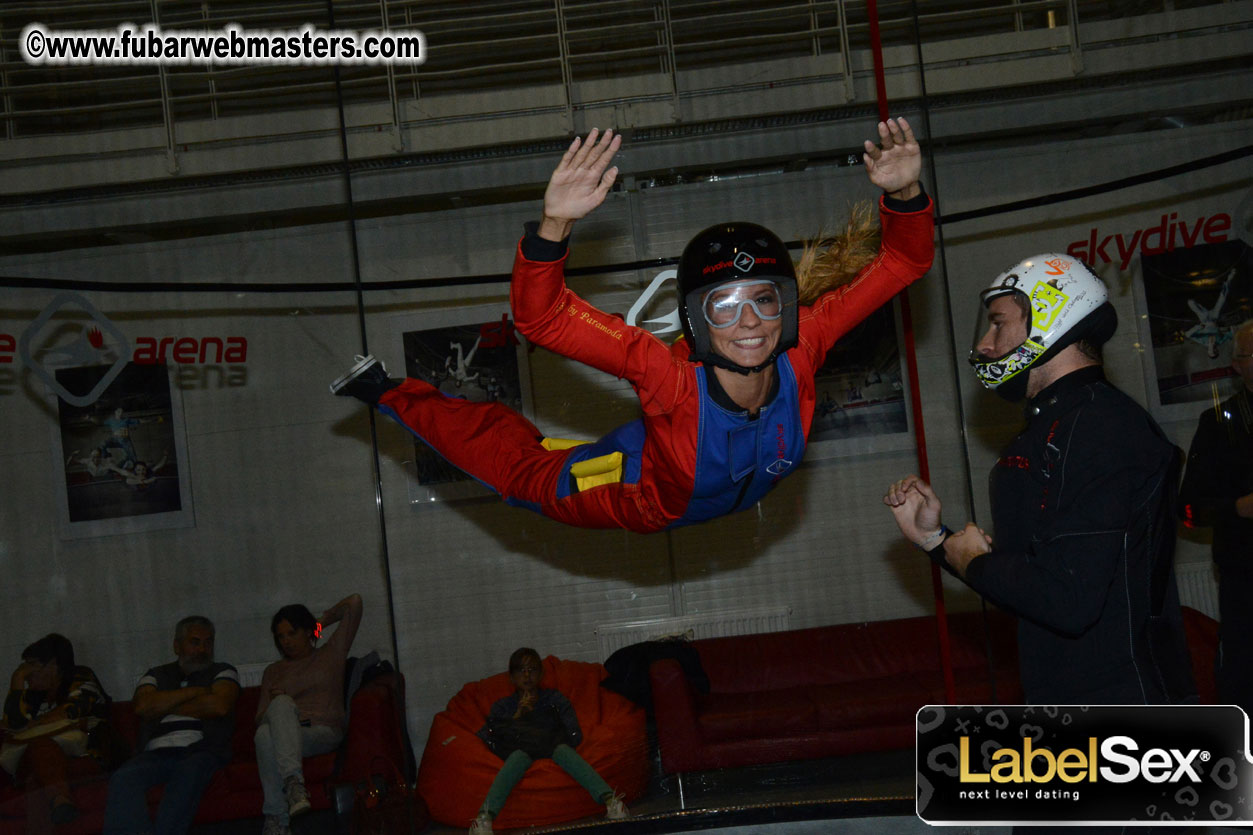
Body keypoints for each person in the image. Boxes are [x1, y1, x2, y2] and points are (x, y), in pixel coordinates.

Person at [332, 121, 934, 533]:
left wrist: (905, 191)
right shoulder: (667, 377)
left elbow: (903, 263)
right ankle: (388, 391)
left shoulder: (805, 344)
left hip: (680, 455)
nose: (750, 321)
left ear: (787, 308)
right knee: (523, 476)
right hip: (641, 489)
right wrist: (553, 226)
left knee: (591, 446)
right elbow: (541, 318)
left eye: (763, 300)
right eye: (724, 306)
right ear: (697, 320)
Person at [883, 253, 1195, 705]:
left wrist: (975, 562)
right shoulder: (1055, 427)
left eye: (998, 324)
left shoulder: (1102, 428)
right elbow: (1032, 589)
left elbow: (1069, 600)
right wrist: (935, 540)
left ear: (1050, 318)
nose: (986, 344)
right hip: (1065, 701)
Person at [103, 616, 240, 835]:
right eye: (195, 642)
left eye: (208, 643)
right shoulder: (156, 674)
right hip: (156, 753)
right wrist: (197, 692)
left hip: (202, 749)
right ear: (177, 646)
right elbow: (142, 706)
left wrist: (164, 704)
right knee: (123, 778)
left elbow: (219, 705)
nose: (202, 649)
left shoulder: (223, 671)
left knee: (188, 772)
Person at [1179, 318, 1253, 715]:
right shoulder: (1219, 424)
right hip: (1246, 578)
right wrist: (1238, 507)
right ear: (1237, 365)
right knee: (1243, 682)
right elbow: (1188, 508)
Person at [470, 648, 627, 834]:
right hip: (520, 751)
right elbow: (490, 738)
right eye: (521, 670)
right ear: (511, 677)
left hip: (553, 747)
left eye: (532, 670)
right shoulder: (503, 706)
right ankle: (484, 818)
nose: (527, 676)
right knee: (517, 757)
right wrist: (518, 716)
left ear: (541, 674)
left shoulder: (554, 699)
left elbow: (574, 733)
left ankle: (611, 801)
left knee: (563, 751)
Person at [255, 594, 363, 835]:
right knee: (265, 731)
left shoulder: (330, 654)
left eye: (292, 633)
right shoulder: (273, 671)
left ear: (306, 631)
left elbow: (354, 603)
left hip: (322, 731)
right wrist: (278, 707)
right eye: (281, 636)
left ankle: (277, 816)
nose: (286, 641)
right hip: (287, 733)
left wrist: (320, 624)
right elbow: (260, 717)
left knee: (271, 725)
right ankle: (290, 796)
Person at [1, 634, 111, 829]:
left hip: (83, 755)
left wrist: (35, 724)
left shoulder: (80, 676)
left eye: (31, 665)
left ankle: (60, 801)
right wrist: (16, 681)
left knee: (36, 779)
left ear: (53, 665)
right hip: (35, 760)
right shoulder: (33, 695)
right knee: (40, 754)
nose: (25, 672)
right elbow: (12, 724)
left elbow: (73, 709)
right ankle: (61, 801)